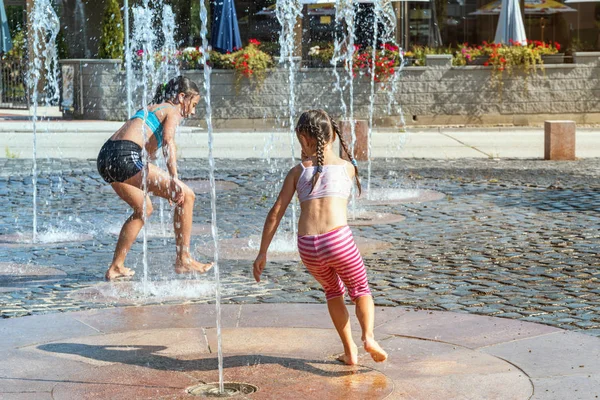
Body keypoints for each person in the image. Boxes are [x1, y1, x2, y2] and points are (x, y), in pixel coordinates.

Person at [252, 109, 388, 365]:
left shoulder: (297, 172)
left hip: (308, 246)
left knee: (332, 291)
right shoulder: (348, 168)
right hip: (337, 240)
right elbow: (329, 165)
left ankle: (350, 352)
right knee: (360, 289)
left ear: (303, 139)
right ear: (333, 137)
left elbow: (275, 214)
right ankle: (368, 337)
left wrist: (262, 253)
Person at [97, 76, 213, 280]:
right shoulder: (172, 109)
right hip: (124, 156)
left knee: (143, 208)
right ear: (181, 97)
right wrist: (174, 179)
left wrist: (163, 187)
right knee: (187, 195)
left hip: (106, 156)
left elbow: (147, 157)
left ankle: (116, 266)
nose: (193, 111)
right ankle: (183, 259)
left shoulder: (152, 109)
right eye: (193, 105)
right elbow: (169, 141)